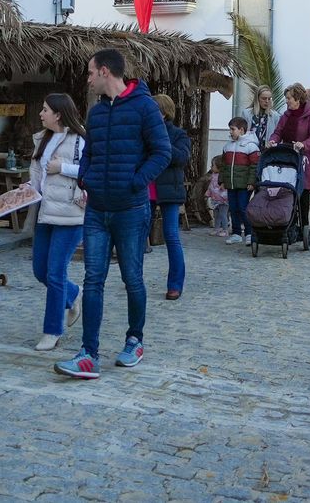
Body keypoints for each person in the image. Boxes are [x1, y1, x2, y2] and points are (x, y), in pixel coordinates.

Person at [55, 50, 171, 381]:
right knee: (93, 280)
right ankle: (88, 354)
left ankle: (135, 340)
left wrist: (134, 183)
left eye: (90, 73)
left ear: (105, 71)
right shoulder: (96, 112)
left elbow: (162, 152)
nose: (88, 79)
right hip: (97, 210)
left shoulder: (145, 107)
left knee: (132, 278)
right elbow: (89, 153)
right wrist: (85, 178)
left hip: (131, 210)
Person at [30, 93, 87, 351]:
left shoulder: (80, 139)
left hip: (71, 215)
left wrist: (61, 168)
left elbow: (89, 169)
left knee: (55, 273)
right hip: (44, 212)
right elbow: (38, 174)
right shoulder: (42, 139)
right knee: (40, 270)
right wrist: (28, 190)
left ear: (58, 114)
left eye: (45, 110)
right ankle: (74, 294)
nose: (41, 114)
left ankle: (52, 330)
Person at [151, 94, 193, 301]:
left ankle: (175, 284)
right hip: (144, 188)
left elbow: (182, 158)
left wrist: (161, 141)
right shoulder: (143, 132)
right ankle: (132, 279)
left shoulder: (178, 134)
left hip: (169, 190)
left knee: (171, 237)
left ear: (163, 113)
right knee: (136, 236)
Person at [269, 82, 310, 229]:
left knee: (302, 193)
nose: (286, 100)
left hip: (304, 160)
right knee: (287, 191)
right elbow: (278, 132)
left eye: (289, 98)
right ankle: (287, 222)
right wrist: (273, 140)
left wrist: (303, 144)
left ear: (297, 99)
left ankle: (304, 225)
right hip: (288, 158)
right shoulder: (286, 115)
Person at [222, 116, 260, 245]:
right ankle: (236, 233)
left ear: (242, 130)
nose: (230, 132)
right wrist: (222, 180)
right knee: (233, 208)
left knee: (243, 207)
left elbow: (254, 166)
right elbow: (224, 165)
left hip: (244, 185)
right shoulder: (227, 146)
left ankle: (249, 233)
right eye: (230, 129)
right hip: (231, 184)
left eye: (233, 129)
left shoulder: (251, 146)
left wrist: (251, 182)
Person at [206, 164, 229, 236]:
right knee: (216, 215)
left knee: (223, 215)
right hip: (215, 199)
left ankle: (225, 230)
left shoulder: (223, 176)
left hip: (223, 199)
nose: (211, 167)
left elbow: (224, 188)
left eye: (213, 165)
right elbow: (211, 185)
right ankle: (216, 229)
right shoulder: (213, 175)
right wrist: (208, 193)